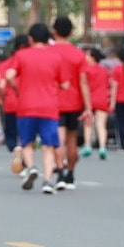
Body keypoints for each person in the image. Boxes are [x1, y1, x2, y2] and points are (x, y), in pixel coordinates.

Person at [6, 26, 63, 193]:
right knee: (48, 146)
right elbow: (64, 83)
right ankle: (48, 181)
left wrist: (16, 89)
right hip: (49, 108)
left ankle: (31, 167)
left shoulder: (21, 55)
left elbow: (9, 76)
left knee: (27, 142)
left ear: (30, 39)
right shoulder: (55, 57)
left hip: (26, 106)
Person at [46, 17, 90, 188]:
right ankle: (71, 174)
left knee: (58, 139)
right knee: (72, 140)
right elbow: (84, 82)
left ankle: (60, 171)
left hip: (53, 102)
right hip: (74, 103)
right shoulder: (78, 54)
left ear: (54, 31)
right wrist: (88, 107)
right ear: (71, 32)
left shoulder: (48, 52)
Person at [81, 46, 111, 159]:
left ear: (92, 57)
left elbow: (83, 84)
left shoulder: (86, 70)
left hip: (89, 100)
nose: (85, 57)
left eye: (87, 55)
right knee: (101, 125)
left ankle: (88, 146)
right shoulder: (104, 70)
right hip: (102, 99)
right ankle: (102, 147)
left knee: (88, 124)